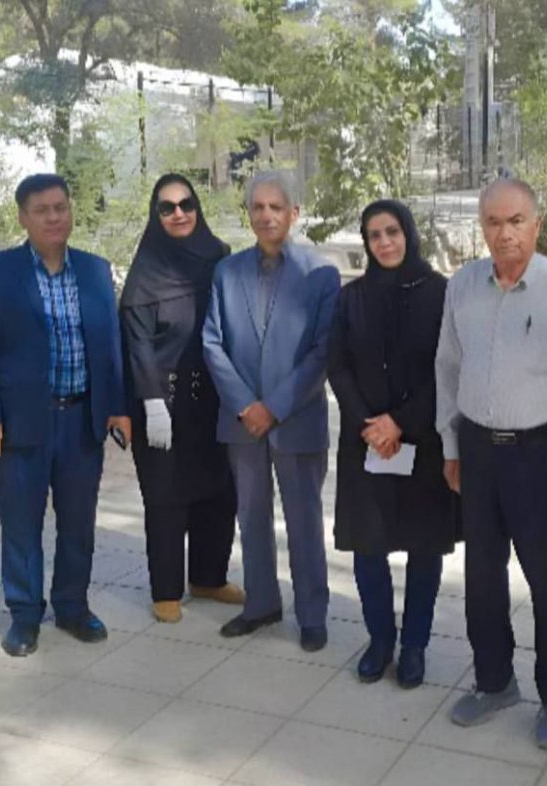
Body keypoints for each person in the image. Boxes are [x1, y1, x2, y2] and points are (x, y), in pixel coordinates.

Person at [435, 178, 547, 748]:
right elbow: (447, 368)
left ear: (536, 224)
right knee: (482, 576)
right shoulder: (463, 285)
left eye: (515, 221)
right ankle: (493, 680)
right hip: (477, 451)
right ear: (481, 227)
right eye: (493, 222)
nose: (504, 233)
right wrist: (451, 446)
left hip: (540, 454)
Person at [0, 174, 130, 658]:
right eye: (42, 210)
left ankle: (72, 606)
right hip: (19, 424)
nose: (54, 217)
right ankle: (24, 615)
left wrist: (117, 408)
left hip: (81, 421)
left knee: (78, 523)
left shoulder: (95, 271)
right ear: (23, 217)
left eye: (60, 207)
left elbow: (110, 347)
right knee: (21, 524)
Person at [202, 170, 340, 652]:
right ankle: (261, 604)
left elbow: (323, 351)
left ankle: (312, 614)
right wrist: (246, 405)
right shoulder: (227, 272)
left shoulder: (321, 275)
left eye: (275, 207)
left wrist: (275, 408)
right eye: (257, 207)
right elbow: (212, 342)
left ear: (293, 213)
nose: (266, 216)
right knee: (251, 516)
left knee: (304, 521)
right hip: (242, 424)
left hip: (296, 420)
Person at [328, 200, 459, 687]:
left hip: (422, 440)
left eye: (392, 231)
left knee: (425, 547)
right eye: (374, 235)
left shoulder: (441, 294)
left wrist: (400, 423)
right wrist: (371, 425)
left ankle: (415, 645)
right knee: (368, 543)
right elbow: (337, 365)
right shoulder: (352, 298)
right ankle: (380, 639)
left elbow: (448, 370)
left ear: (408, 233)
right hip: (366, 442)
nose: (384, 242)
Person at [119, 173, 244, 623]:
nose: (178, 214)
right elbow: (138, 344)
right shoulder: (146, 273)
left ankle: (209, 577)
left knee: (219, 491)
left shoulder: (219, 258)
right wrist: (152, 402)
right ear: (155, 215)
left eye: (186, 204)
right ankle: (166, 590)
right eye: (167, 207)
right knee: (167, 496)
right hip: (163, 400)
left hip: (214, 396)